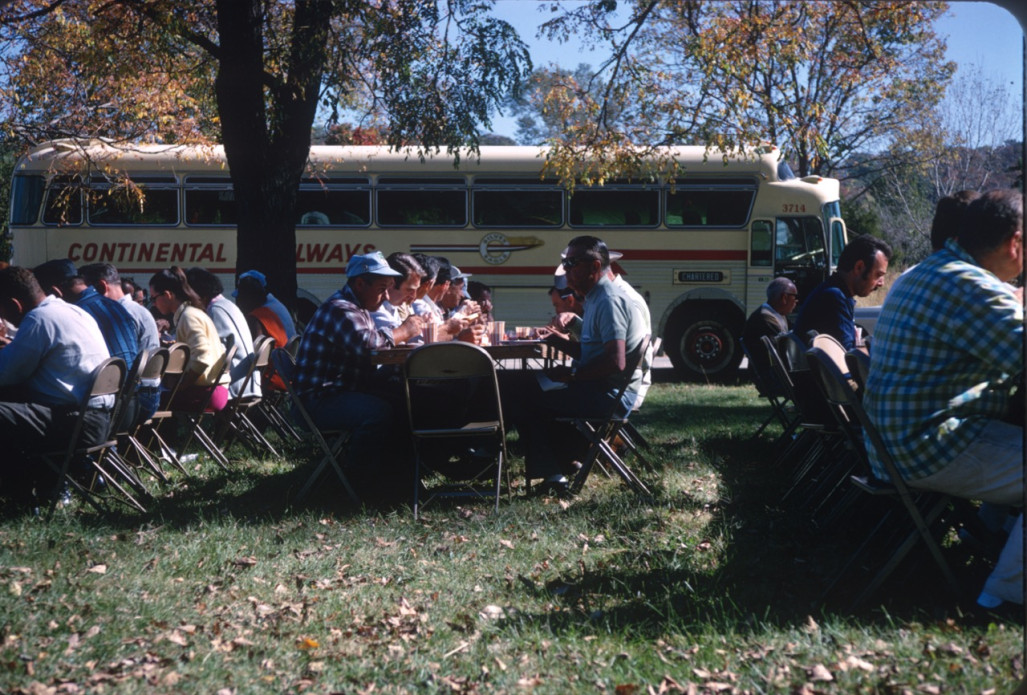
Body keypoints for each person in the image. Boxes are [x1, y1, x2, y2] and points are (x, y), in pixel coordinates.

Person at [864, 189, 1023, 610]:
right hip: (925, 447)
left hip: (894, 444)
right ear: (1015, 243)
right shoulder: (973, 287)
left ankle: (981, 539)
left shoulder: (927, 271)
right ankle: (1006, 597)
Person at [501, 236, 647, 496]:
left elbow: (616, 361)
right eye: (564, 263)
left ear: (594, 266)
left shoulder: (608, 301)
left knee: (524, 399)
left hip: (611, 396)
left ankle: (554, 478)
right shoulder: (595, 297)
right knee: (525, 387)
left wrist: (573, 375)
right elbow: (593, 352)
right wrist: (558, 342)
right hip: (602, 388)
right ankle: (563, 462)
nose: (565, 270)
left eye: (571, 263)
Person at [291, 251, 412, 485]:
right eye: (381, 288)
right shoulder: (341, 309)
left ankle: (395, 475)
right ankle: (359, 482)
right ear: (359, 283)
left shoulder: (357, 308)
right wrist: (404, 331)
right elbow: (369, 346)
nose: (386, 296)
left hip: (335, 392)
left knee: (402, 400)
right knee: (378, 413)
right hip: (317, 401)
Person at [0, 266, 112, 498]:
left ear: (14, 305)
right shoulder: (73, 311)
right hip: (100, 420)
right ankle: (45, 485)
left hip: (74, 425)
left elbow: (7, 374)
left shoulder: (38, 319)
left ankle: (19, 495)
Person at [79, 262, 163, 426]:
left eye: (88, 293)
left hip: (135, 401)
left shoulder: (118, 313)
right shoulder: (137, 310)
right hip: (150, 394)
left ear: (102, 287)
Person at [33, 259, 140, 370]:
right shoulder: (117, 306)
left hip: (103, 384)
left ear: (55, 293)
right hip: (128, 383)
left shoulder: (75, 315)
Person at [149, 267, 230, 412]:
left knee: (147, 402)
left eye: (153, 298)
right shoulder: (192, 313)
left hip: (207, 393)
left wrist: (181, 386)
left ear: (168, 295)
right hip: (213, 390)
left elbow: (202, 358)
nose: (153, 304)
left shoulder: (188, 316)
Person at [793, 234, 892, 349]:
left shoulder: (832, 292)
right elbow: (850, 357)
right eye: (878, 275)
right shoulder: (833, 298)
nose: (881, 283)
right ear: (859, 267)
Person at [186, 267, 260, 401]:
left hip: (235, 387)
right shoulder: (226, 305)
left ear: (199, 293)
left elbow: (212, 353)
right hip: (247, 383)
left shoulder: (215, 310)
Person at [742, 276, 798, 388]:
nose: (797, 301)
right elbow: (784, 350)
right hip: (771, 378)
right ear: (784, 298)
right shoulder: (765, 318)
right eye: (795, 297)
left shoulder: (777, 315)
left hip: (775, 374)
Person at [371, 252, 425, 345]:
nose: (414, 296)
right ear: (391, 284)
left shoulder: (393, 306)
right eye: (409, 290)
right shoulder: (374, 307)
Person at [232, 270, 297, 340]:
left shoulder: (258, 317)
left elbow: (256, 345)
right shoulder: (272, 305)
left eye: (242, 298)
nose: (240, 303)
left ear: (249, 298)